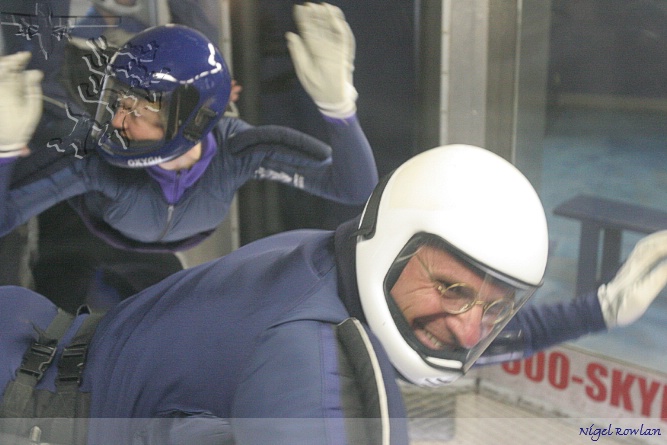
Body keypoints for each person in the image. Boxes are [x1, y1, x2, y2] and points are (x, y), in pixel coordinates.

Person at [2, 143, 667, 444]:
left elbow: (450, 332)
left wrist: (598, 309)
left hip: (35, 338)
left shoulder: (333, 253)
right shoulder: (310, 358)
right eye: (451, 286)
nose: (471, 326)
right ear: (397, 245)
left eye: (494, 305)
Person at [0, 4, 376, 309]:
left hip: (147, 258)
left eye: (139, 109)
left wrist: (339, 106)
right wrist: (5, 149)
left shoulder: (239, 151)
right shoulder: (92, 161)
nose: (116, 119)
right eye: (117, 98)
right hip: (75, 240)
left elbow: (354, 188)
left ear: (190, 121)